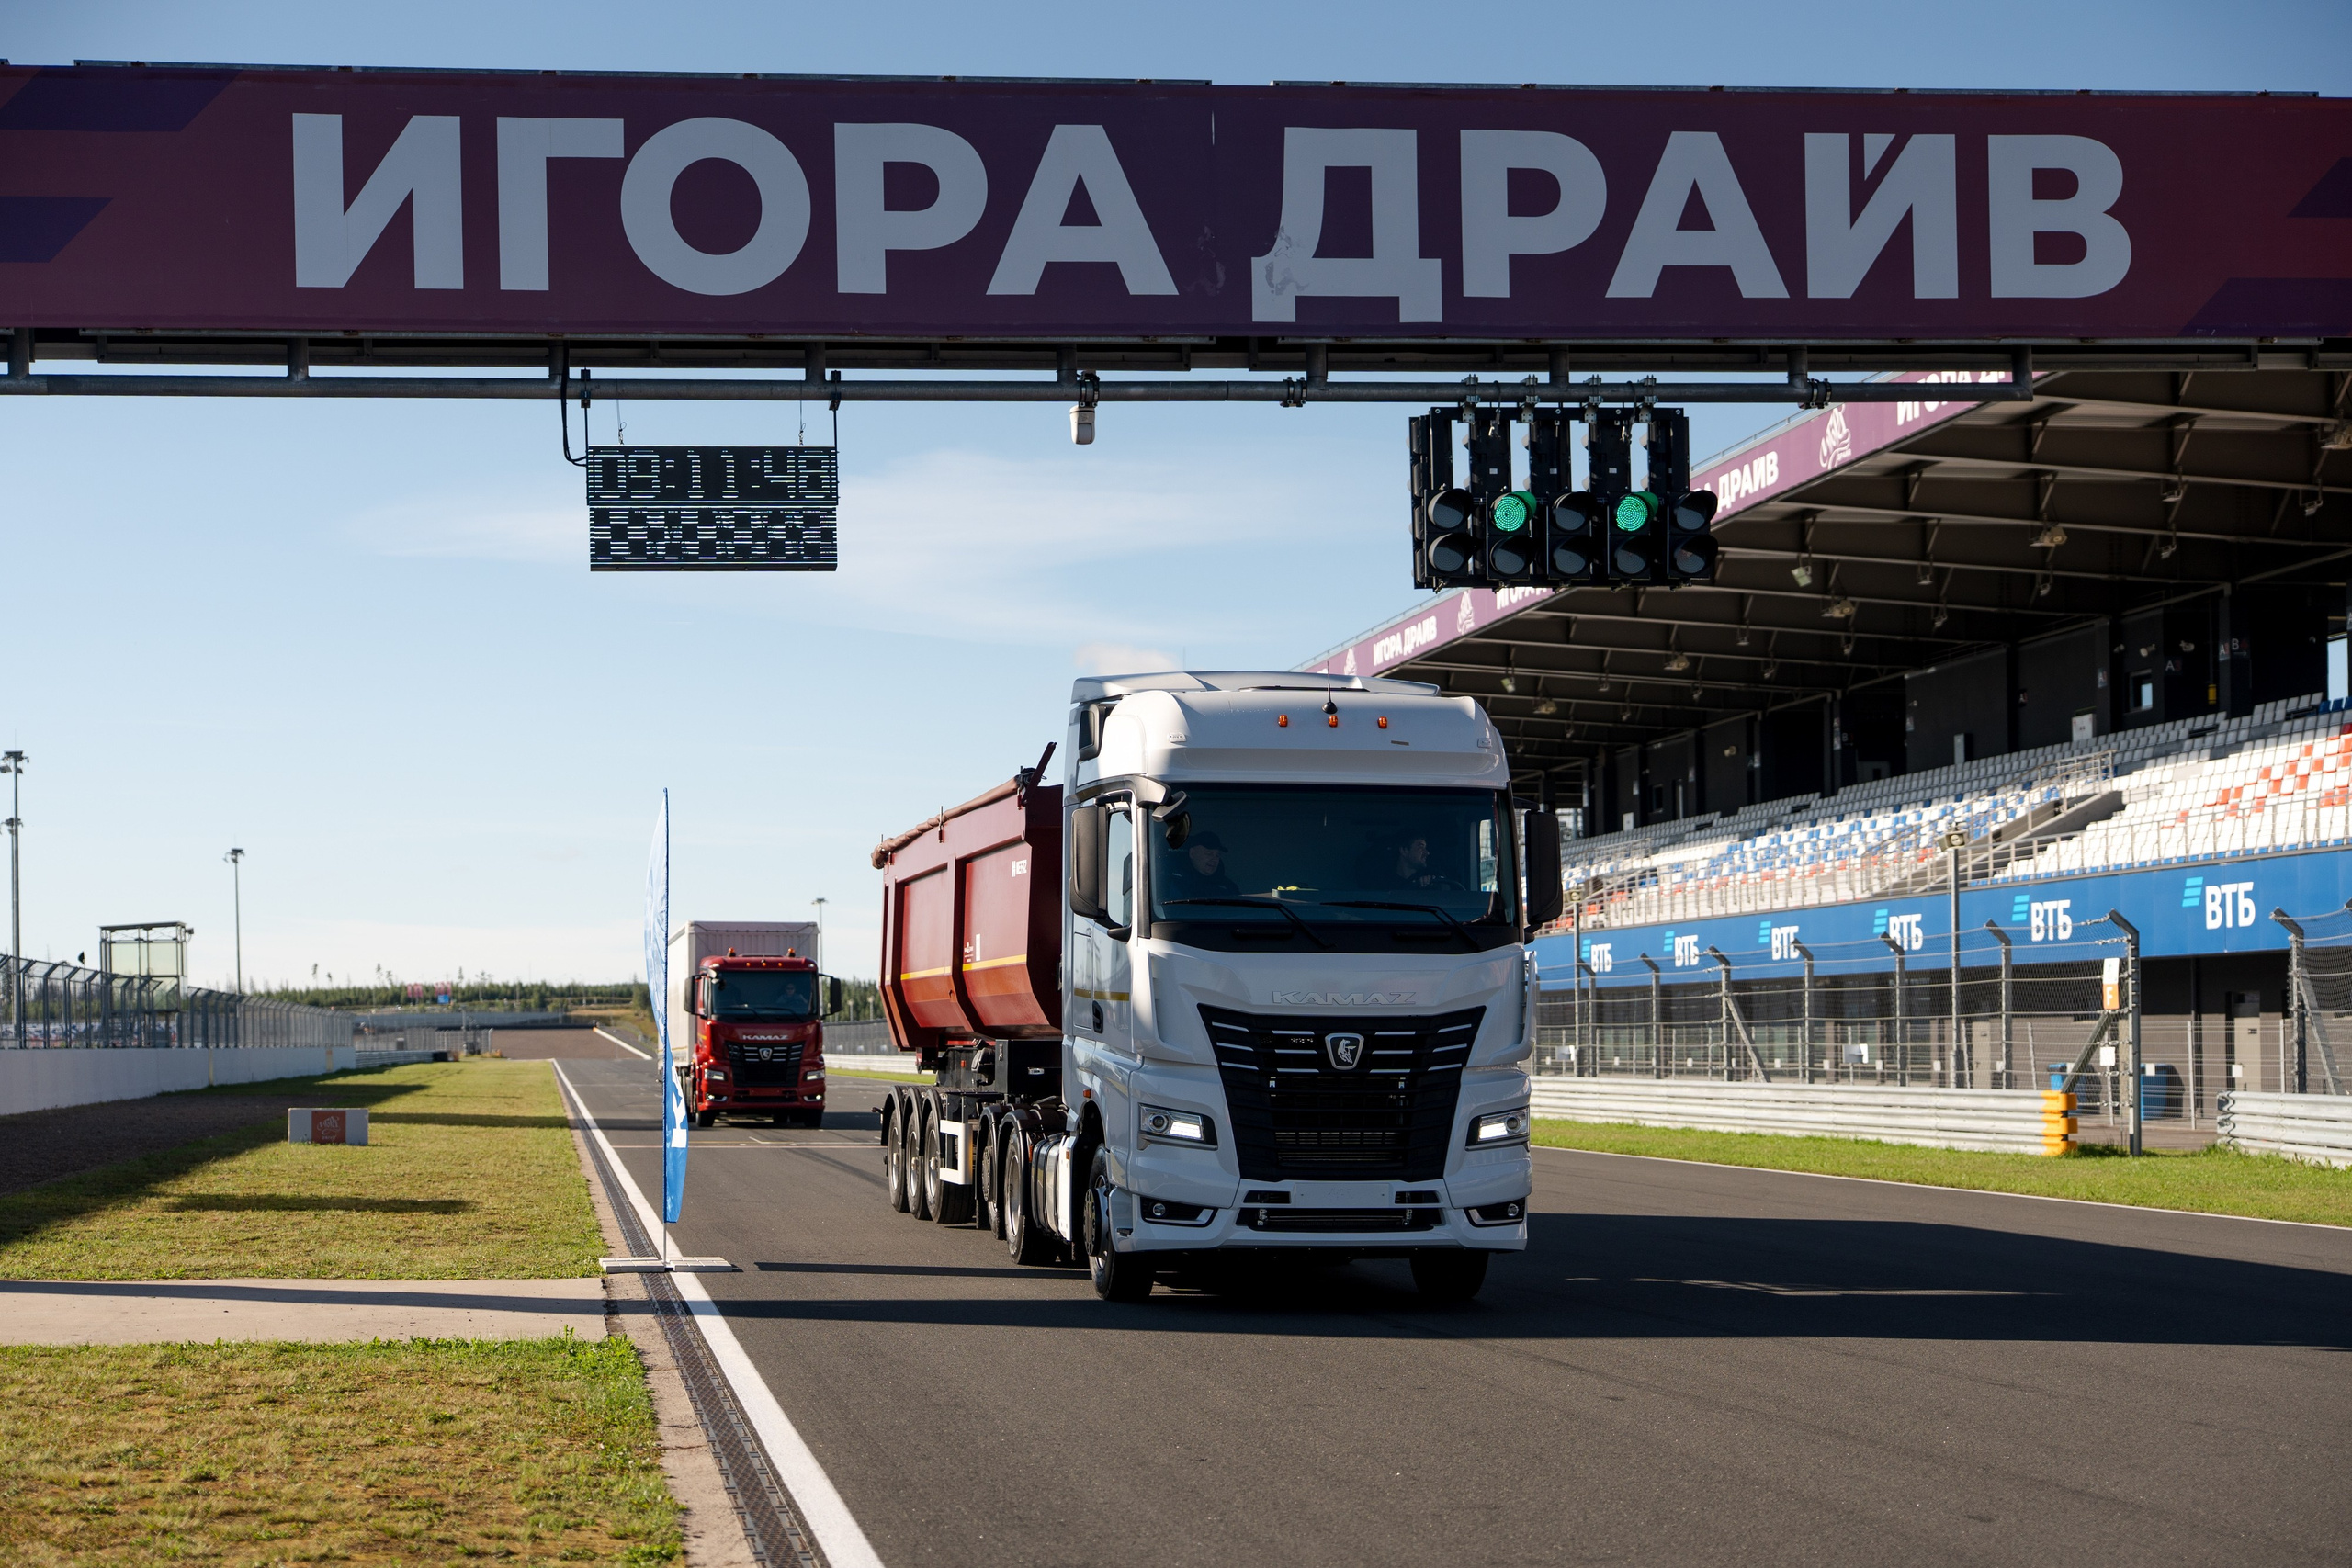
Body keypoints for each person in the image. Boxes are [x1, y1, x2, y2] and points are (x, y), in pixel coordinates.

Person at [1163, 829, 1239, 898]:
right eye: (1209, 854)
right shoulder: (1176, 883)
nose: (1215, 859)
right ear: (1192, 853)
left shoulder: (1227, 886)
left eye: (1217, 855)